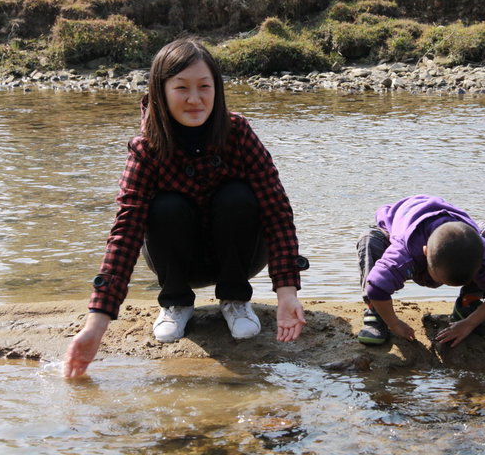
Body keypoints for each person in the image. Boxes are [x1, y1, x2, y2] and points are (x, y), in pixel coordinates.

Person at [63, 38, 308, 378]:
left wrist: (287, 292)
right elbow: (125, 232)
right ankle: (176, 303)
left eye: (204, 87)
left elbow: (277, 211)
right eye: (181, 88)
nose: (195, 99)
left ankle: (235, 299)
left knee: (238, 196)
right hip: (177, 261)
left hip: (241, 255)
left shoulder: (237, 132)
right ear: (161, 91)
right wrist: (96, 324)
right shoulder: (146, 149)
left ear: (217, 89)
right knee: (165, 207)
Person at [356, 194, 485, 347]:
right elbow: (376, 287)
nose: (437, 284)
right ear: (425, 253)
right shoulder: (405, 252)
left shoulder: (483, 253)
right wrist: (394, 323)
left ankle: (469, 302)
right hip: (401, 220)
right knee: (369, 239)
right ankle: (375, 310)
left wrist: (469, 324)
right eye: (439, 280)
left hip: (454, 228)